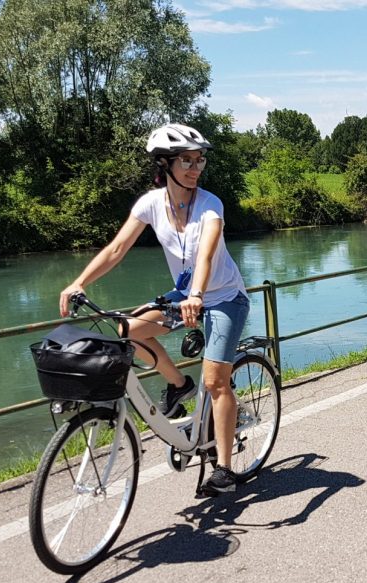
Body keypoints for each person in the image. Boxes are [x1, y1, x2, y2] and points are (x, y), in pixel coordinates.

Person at [58, 123, 249, 495]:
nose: (195, 168)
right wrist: (80, 281)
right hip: (184, 297)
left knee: (216, 382)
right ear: (165, 164)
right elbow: (116, 249)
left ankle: (224, 470)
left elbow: (206, 253)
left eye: (199, 160)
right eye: (186, 161)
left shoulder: (210, 204)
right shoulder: (150, 204)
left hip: (224, 297)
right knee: (128, 330)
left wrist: (197, 294)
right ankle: (178, 385)